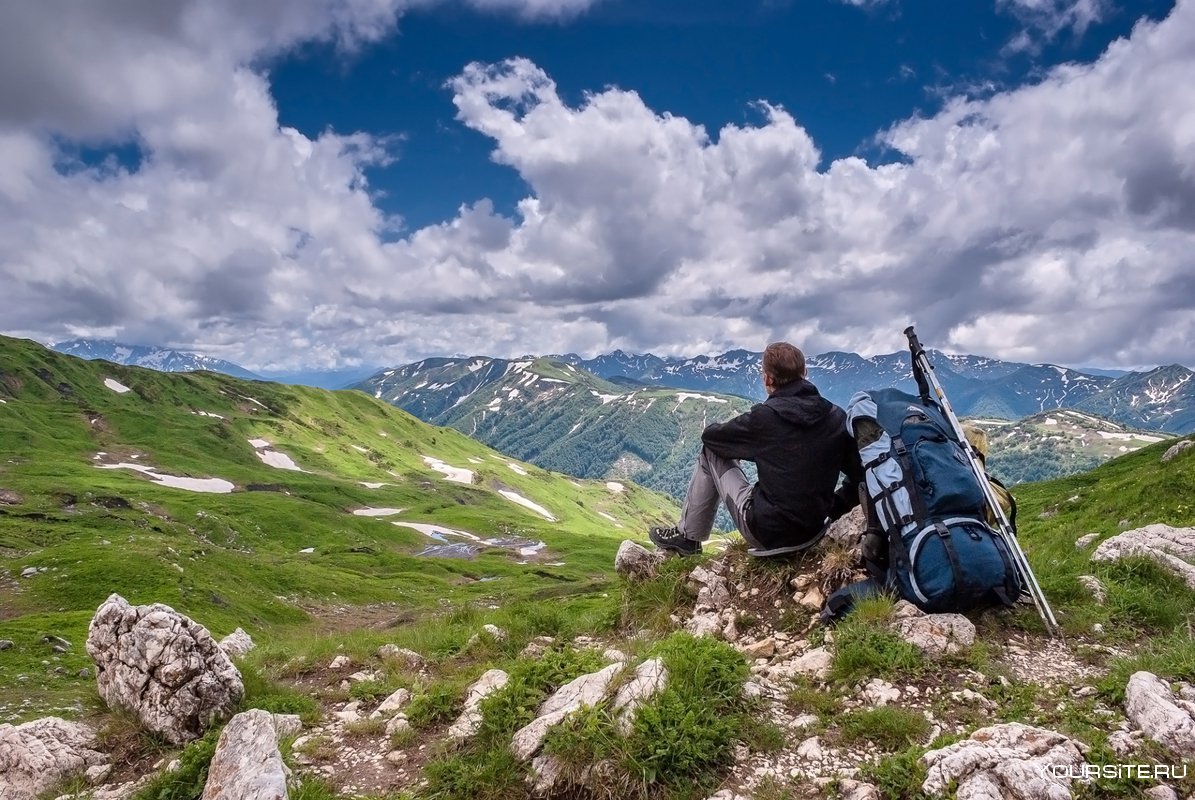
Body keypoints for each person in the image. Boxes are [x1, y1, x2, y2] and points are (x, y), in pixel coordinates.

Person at [648, 342, 864, 556]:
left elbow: (712, 438)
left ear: (768, 379)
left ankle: (688, 538)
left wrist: (753, 447)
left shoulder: (764, 418)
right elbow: (860, 475)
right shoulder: (835, 416)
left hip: (766, 533)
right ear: (805, 373)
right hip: (816, 529)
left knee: (710, 451)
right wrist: (832, 507)